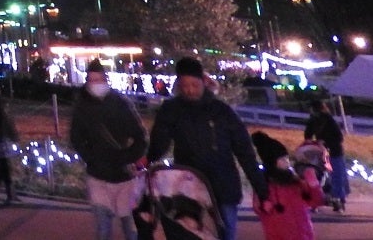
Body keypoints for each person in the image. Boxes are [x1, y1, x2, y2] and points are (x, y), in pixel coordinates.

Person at [146, 56, 268, 240]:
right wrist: (148, 159)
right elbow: (159, 143)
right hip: (190, 189)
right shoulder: (172, 110)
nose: (189, 90)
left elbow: (245, 152)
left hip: (224, 188)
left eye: (194, 84)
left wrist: (262, 190)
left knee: (225, 234)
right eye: (184, 85)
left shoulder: (222, 111)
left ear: (203, 81)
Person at [69, 59, 147, 240]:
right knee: (103, 229)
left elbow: (140, 136)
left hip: (124, 177)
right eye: (91, 80)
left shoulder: (120, 103)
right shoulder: (82, 107)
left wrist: (128, 157)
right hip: (98, 176)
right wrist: (92, 157)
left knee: (131, 228)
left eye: (99, 79)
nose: (95, 84)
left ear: (105, 80)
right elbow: (76, 138)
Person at [250, 131, 322, 240]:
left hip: (304, 235)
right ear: (272, 161)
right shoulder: (265, 185)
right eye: (283, 159)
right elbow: (258, 208)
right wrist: (263, 206)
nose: (287, 162)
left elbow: (316, 202)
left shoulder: (296, 181)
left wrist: (314, 186)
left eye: (287, 158)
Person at [302, 97, 347, 212]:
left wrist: (324, 142)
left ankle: (338, 201)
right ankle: (323, 200)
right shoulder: (315, 120)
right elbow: (308, 134)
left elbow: (339, 137)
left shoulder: (328, 120)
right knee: (324, 176)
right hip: (324, 152)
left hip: (332, 151)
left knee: (334, 176)